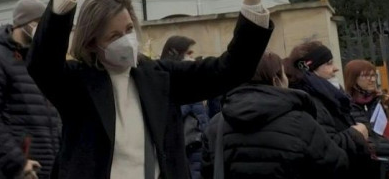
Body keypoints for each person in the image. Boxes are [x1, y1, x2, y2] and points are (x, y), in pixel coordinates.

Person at [27, 0, 273, 179]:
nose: (126, 40)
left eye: (129, 29)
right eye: (114, 36)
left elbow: (230, 70)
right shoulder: (76, 85)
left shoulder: (161, 77)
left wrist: (252, 0)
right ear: (92, 43)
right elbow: (42, 64)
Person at [201, 51, 349, 178]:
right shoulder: (301, 122)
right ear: (276, 80)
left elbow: (207, 172)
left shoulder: (215, 126)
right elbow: (335, 166)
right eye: (284, 74)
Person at [0, 0, 61, 179]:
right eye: (41, 24)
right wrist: (17, 162)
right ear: (24, 23)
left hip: (47, 167)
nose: (45, 30)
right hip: (17, 170)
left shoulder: (39, 61)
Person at [285, 41, 375, 177]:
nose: (336, 68)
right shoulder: (311, 102)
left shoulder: (329, 96)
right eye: (328, 63)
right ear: (310, 68)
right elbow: (324, 147)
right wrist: (356, 134)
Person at [160, 36, 209, 179]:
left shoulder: (192, 81)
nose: (192, 58)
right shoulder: (166, 81)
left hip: (199, 155)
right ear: (175, 53)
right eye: (189, 54)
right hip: (185, 155)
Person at [345, 60, 389, 163]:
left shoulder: (383, 101)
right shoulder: (345, 107)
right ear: (353, 79)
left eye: (374, 75)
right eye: (366, 76)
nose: (373, 79)